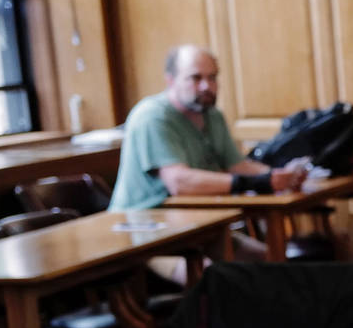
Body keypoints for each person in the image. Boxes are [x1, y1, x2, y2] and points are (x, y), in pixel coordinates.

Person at [110, 45, 305, 212]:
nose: (206, 86)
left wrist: (281, 175)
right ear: (171, 80)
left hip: (198, 220)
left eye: (212, 78)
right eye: (195, 78)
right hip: (147, 227)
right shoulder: (152, 116)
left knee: (260, 255)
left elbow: (238, 166)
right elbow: (179, 182)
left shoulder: (212, 115)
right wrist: (258, 182)